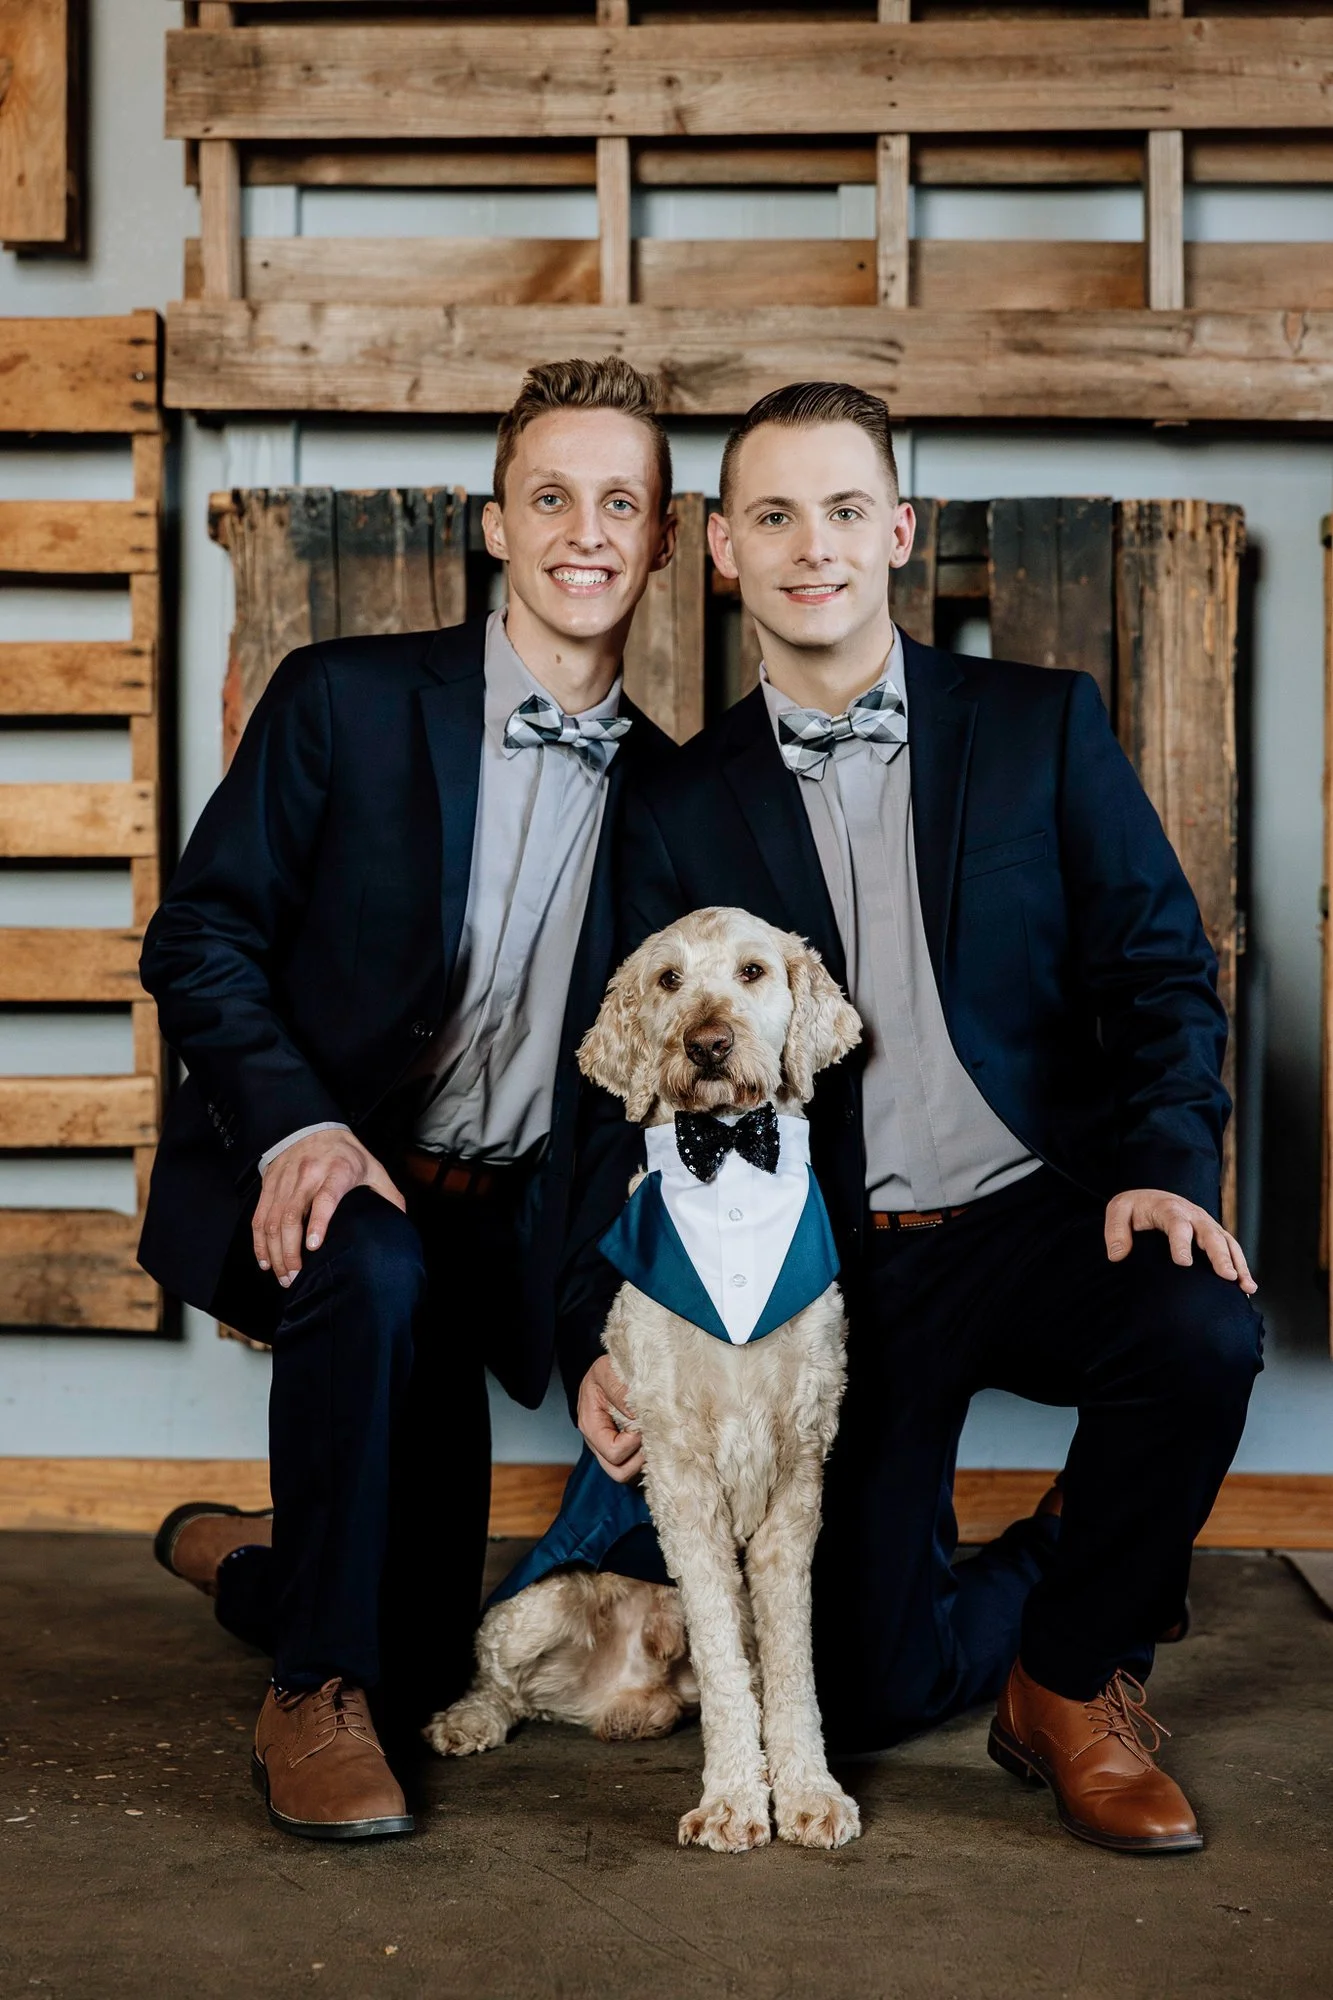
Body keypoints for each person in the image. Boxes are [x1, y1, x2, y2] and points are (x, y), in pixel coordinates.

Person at [559, 381, 1263, 1856]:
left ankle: (1072, 1681)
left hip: (1031, 1209)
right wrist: (593, 1333)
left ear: (899, 532)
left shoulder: (1038, 725)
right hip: (820, 1265)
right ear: (725, 554)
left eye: (840, 508)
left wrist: (1163, 1169)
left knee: (1198, 1319)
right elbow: (618, 1087)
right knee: (869, 1688)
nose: (810, 543)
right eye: (771, 516)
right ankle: (1088, 1569)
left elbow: (1159, 970)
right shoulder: (676, 803)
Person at [139, 356, 677, 1841]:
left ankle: (265, 1559)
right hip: (338, 1186)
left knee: (434, 1645)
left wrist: (594, 1336)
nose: (584, 530)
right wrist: (302, 1125)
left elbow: (623, 1121)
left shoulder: (678, 799)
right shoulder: (345, 701)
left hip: (502, 1237)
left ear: (665, 537)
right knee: (366, 1269)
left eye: (618, 501)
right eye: (551, 496)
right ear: (494, 522)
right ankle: (306, 1689)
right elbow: (199, 936)